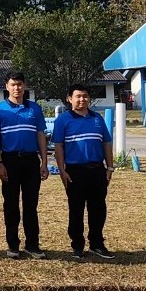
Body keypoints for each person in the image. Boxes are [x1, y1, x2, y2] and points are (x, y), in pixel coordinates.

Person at [0, 71, 49, 259]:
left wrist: (44, 162)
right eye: (13, 84)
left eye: (20, 84)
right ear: (6, 86)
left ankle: (32, 244)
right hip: (10, 161)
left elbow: (40, 135)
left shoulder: (35, 109)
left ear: (25, 86)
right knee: (11, 204)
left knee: (31, 205)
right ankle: (13, 245)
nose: (17, 88)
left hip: (31, 161)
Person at [52, 84, 116, 260]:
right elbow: (59, 147)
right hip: (75, 171)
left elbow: (106, 143)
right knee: (76, 210)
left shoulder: (97, 119)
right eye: (78, 96)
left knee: (98, 209)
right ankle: (77, 245)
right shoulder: (63, 120)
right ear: (69, 98)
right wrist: (62, 170)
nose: (82, 100)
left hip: (97, 171)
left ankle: (97, 244)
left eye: (85, 96)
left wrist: (110, 167)